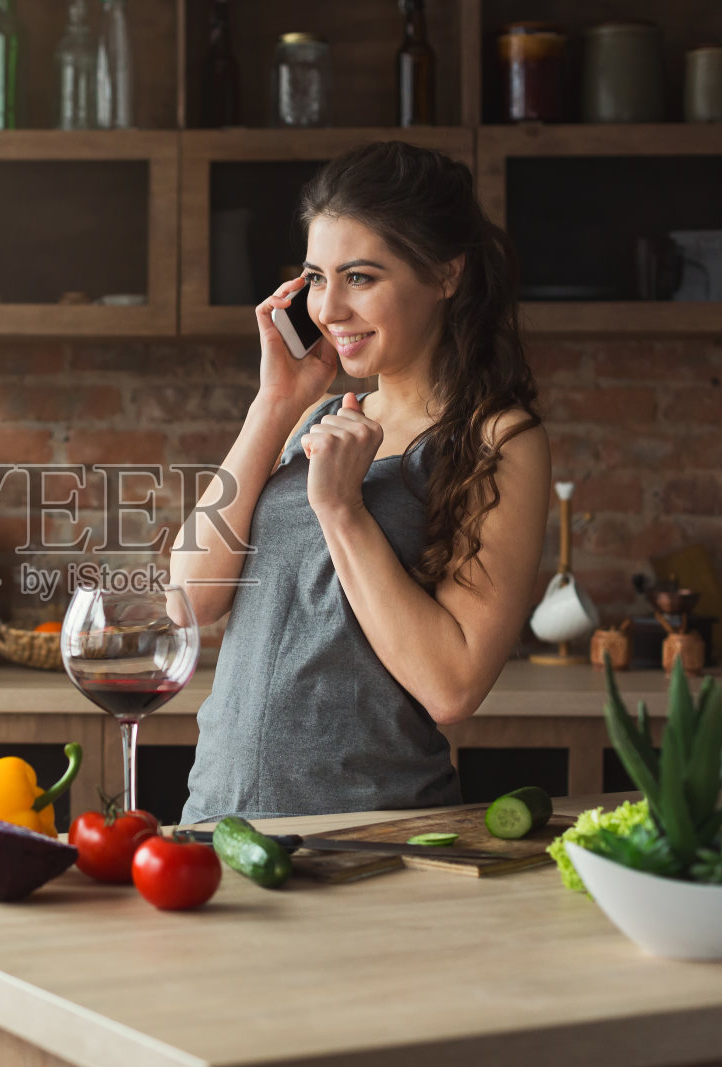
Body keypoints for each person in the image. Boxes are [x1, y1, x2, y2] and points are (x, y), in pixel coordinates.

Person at [172, 141, 551, 822]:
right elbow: (189, 597)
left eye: (361, 277)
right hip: (219, 823)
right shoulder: (318, 417)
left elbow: (452, 686)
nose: (329, 308)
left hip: (372, 836)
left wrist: (343, 510)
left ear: (445, 275)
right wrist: (274, 404)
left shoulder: (499, 441)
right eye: (317, 277)